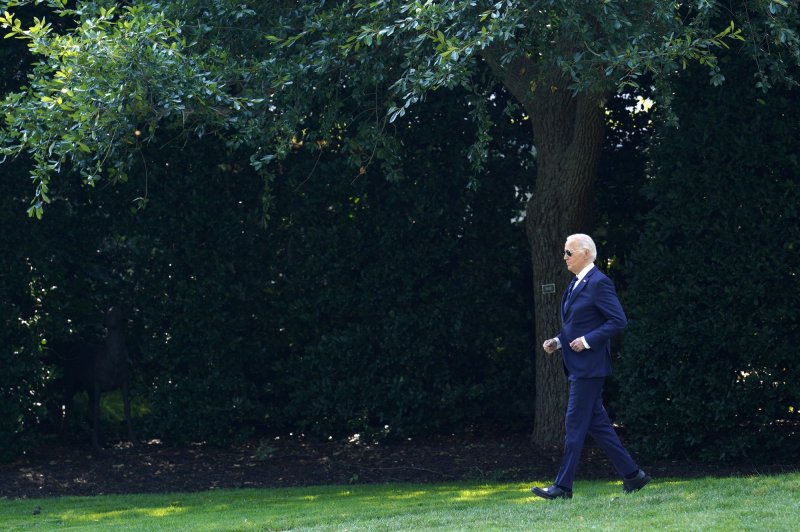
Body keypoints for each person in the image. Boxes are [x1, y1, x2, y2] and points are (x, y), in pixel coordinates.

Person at [531, 233, 650, 500]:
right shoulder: (576, 284)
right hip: (579, 366)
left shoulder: (599, 283)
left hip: (589, 368)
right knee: (599, 426)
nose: (564, 257)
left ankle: (562, 487)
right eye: (564, 252)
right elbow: (576, 325)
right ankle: (634, 476)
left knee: (574, 425)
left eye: (568, 253)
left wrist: (586, 341)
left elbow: (618, 321)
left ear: (585, 253)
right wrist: (558, 342)